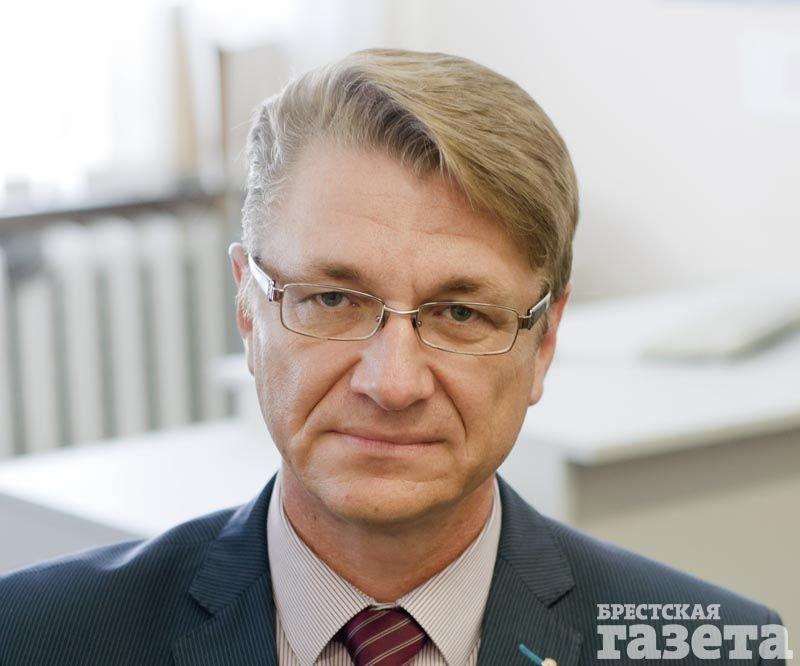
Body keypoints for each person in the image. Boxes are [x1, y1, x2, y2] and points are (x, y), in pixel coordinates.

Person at [0, 48, 789, 666]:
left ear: (544, 342)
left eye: (460, 313)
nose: (393, 383)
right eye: (332, 299)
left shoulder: (715, 651)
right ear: (247, 307)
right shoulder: (34, 639)